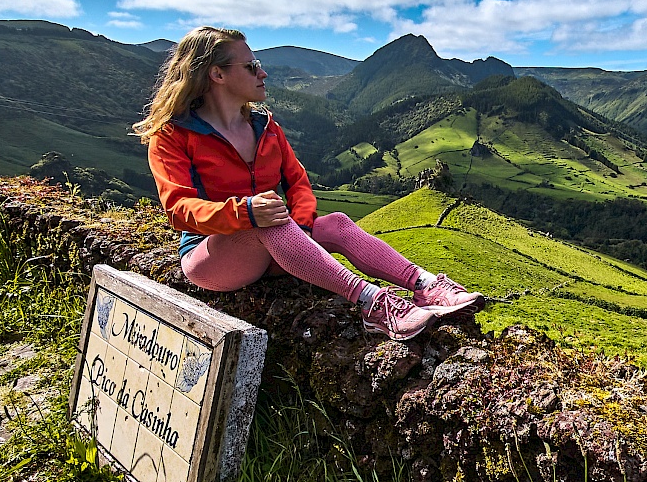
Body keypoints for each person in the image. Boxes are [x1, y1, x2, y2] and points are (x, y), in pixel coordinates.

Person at [132, 26, 483, 340]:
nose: (263, 72)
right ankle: (375, 304)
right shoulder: (173, 136)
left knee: (337, 223)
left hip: (275, 243)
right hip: (210, 257)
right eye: (251, 66)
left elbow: (297, 180)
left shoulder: (265, 127)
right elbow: (179, 210)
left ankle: (426, 286)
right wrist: (247, 212)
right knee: (269, 224)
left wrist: (300, 224)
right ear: (217, 74)